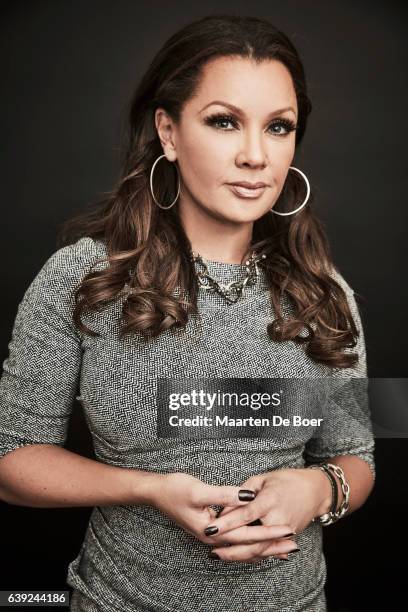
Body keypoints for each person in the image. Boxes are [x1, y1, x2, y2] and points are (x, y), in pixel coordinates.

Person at [0, 14, 375, 612]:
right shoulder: (83, 279)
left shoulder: (324, 292)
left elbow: (357, 458)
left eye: (278, 128)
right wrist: (150, 490)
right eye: (224, 122)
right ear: (168, 132)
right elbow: (11, 461)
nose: (256, 156)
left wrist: (317, 487)